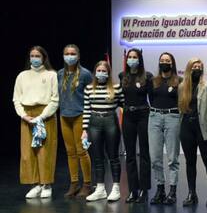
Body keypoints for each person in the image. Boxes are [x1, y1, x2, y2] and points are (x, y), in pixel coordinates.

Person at [13, 46, 59, 199]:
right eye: (32, 56)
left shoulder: (51, 75)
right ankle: (35, 184)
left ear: (44, 58)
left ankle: (46, 184)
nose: (34, 58)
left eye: (37, 56)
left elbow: (55, 99)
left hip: (45, 115)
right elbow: (16, 99)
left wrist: (42, 116)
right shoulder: (22, 76)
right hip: (27, 116)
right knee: (28, 152)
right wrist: (24, 115)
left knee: (45, 151)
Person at [178, 58, 207, 207]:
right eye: (194, 67)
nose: (197, 69)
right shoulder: (182, 86)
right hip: (186, 127)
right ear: (189, 69)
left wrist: (205, 118)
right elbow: (180, 105)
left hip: (204, 128)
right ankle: (192, 194)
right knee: (190, 162)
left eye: (199, 67)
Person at [82, 61, 124, 202]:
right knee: (97, 157)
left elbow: (123, 104)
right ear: (95, 73)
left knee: (113, 156)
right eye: (98, 71)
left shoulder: (116, 88)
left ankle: (116, 188)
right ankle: (100, 189)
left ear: (108, 73)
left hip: (110, 121)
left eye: (104, 71)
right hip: (94, 123)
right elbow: (86, 109)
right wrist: (84, 130)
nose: (101, 73)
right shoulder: (88, 88)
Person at [58, 44, 93, 198]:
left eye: (72, 54)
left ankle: (87, 184)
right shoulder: (60, 74)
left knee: (81, 151)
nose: (69, 56)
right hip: (64, 116)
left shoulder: (85, 74)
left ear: (78, 56)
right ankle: (74, 183)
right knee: (70, 152)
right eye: (67, 53)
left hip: (80, 116)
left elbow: (91, 94)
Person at [148, 52, 181, 205]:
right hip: (154, 117)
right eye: (162, 60)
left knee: (172, 158)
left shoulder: (179, 81)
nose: (164, 62)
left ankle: (172, 191)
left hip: (172, 117)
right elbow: (151, 99)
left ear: (172, 63)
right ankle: (160, 189)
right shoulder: (153, 81)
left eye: (167, 60)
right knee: (155, 157)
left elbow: (181, 100)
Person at [120, 48, 152, 203]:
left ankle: (144, 190)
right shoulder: (122, 76)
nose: (132, 59)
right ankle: (133, 190)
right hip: (128, 116)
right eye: (130, 57)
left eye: (135, 57)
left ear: (140, 60)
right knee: (130, 154)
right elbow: (120, 96)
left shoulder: (147, 76)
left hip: (143, 115)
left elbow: (152, 97)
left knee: (144, 153)